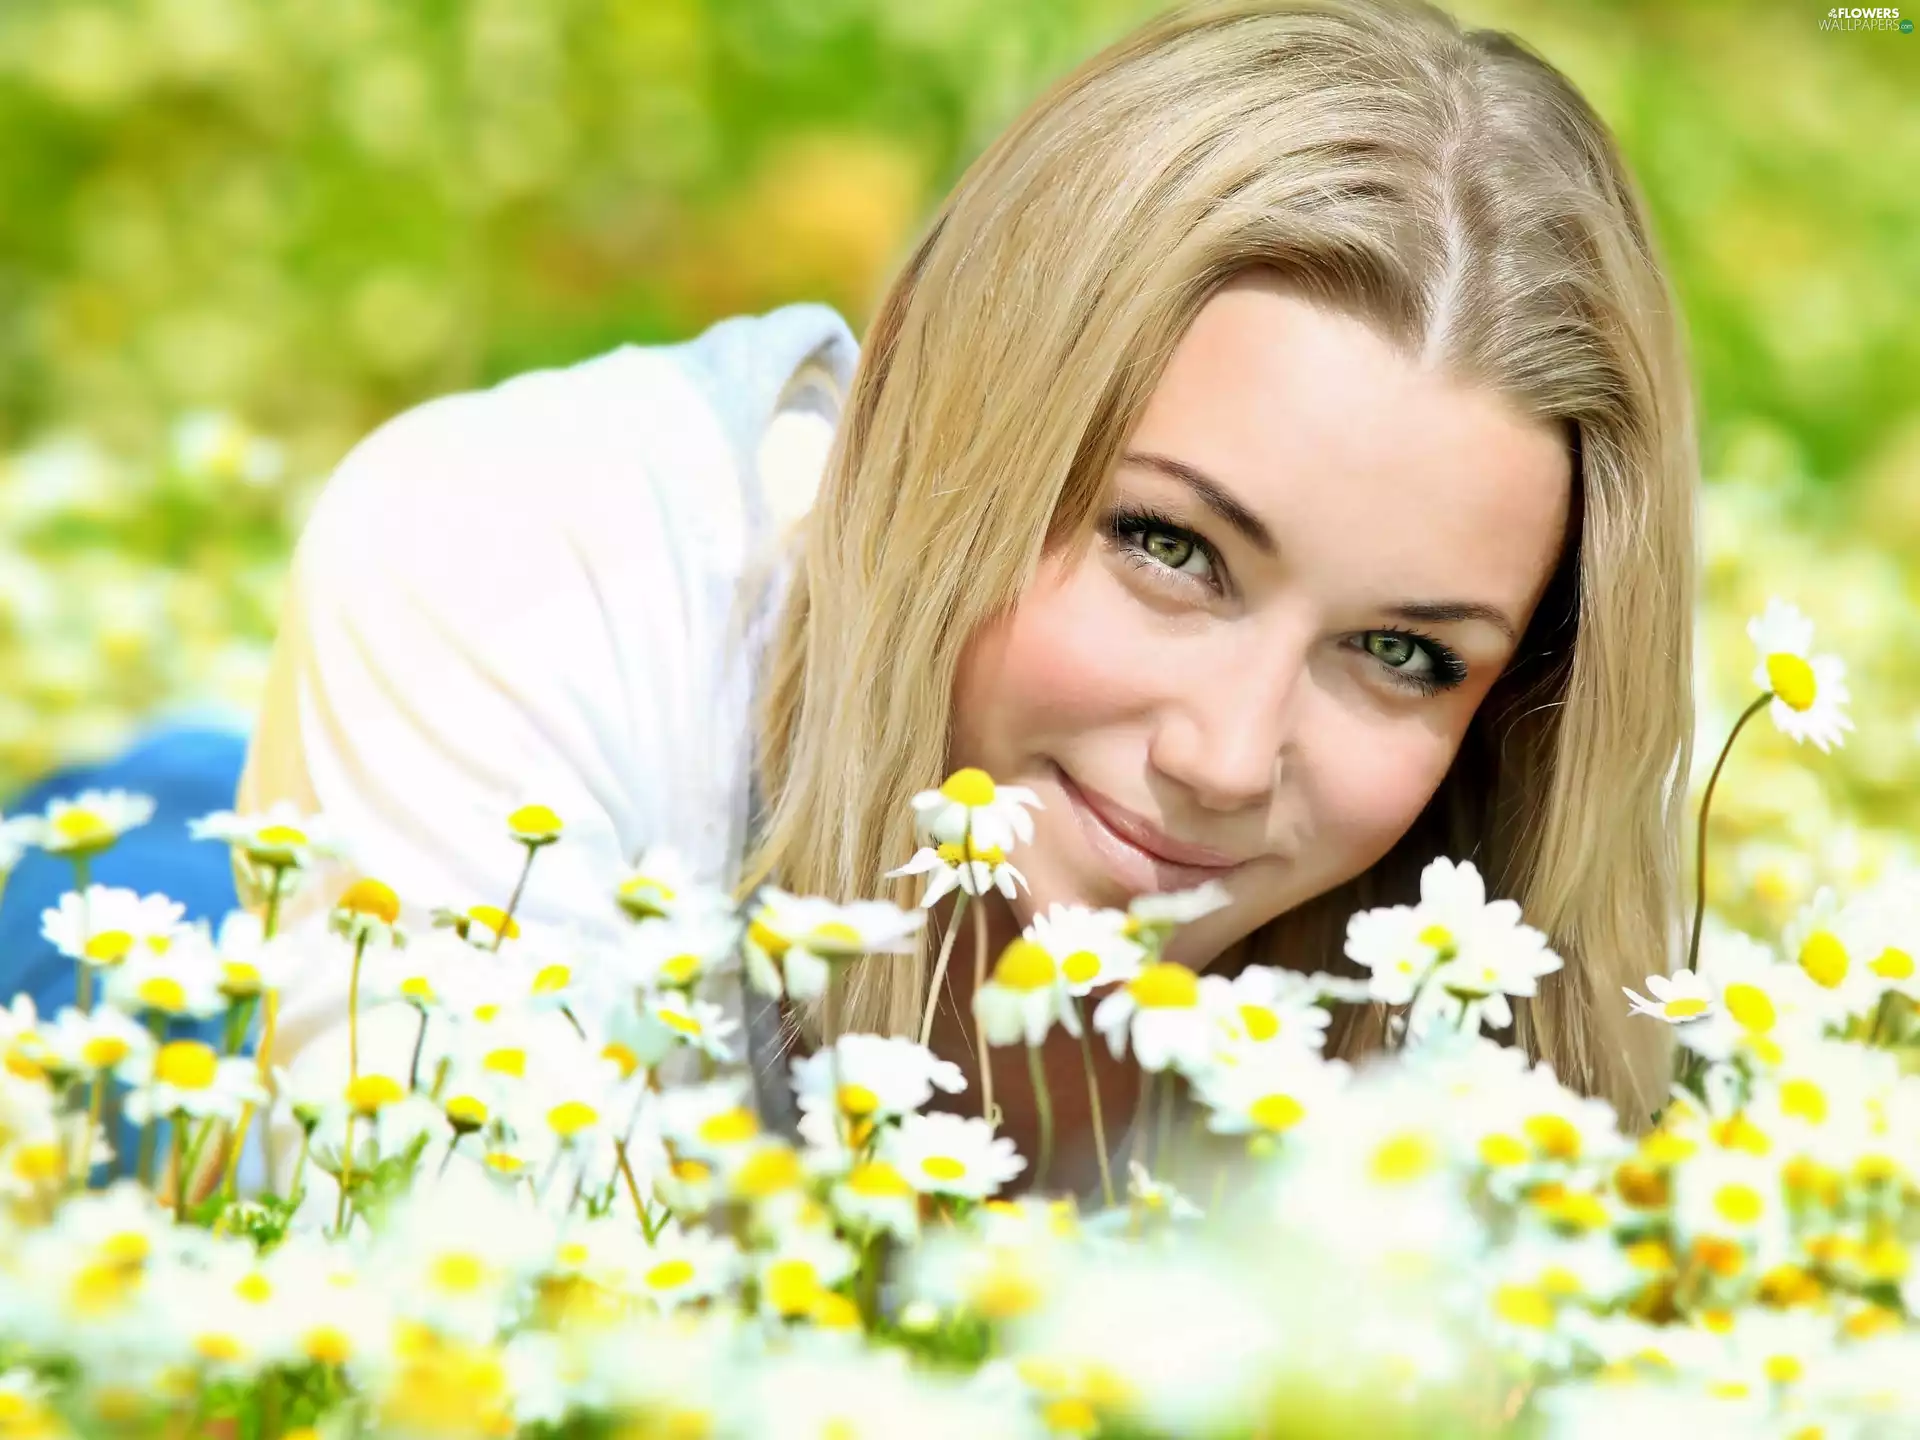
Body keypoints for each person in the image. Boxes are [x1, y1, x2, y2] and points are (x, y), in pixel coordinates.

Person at [238, 0, 1697, 1193]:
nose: (1226, 760)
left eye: (1398, 653)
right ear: (949, 399)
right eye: (1170, 547)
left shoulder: (1488, 935)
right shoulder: (519, 564)